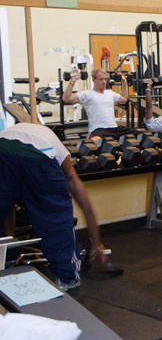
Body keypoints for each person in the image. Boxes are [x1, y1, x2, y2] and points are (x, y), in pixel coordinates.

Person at [0, 123, 109, 290]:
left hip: (2, 151)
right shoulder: (60, 152)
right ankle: (67, 277)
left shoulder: (15, 131)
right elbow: (85, 206)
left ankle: (6, 259)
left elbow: (7, 203)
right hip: (39, 158)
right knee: (57, 218)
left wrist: (10, 245)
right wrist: (96, 243)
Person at [62, 68, 137, 143]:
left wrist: (124, 82)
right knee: (95, 141)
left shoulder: (110, 93)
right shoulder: (87, 94)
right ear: (94, 79)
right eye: (101, 79)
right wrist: (72, 82)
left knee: (141, 134)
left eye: (105, 79)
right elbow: (66, 98)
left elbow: (124, 98)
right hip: (99, 129)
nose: (104, 82)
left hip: (114, 128)